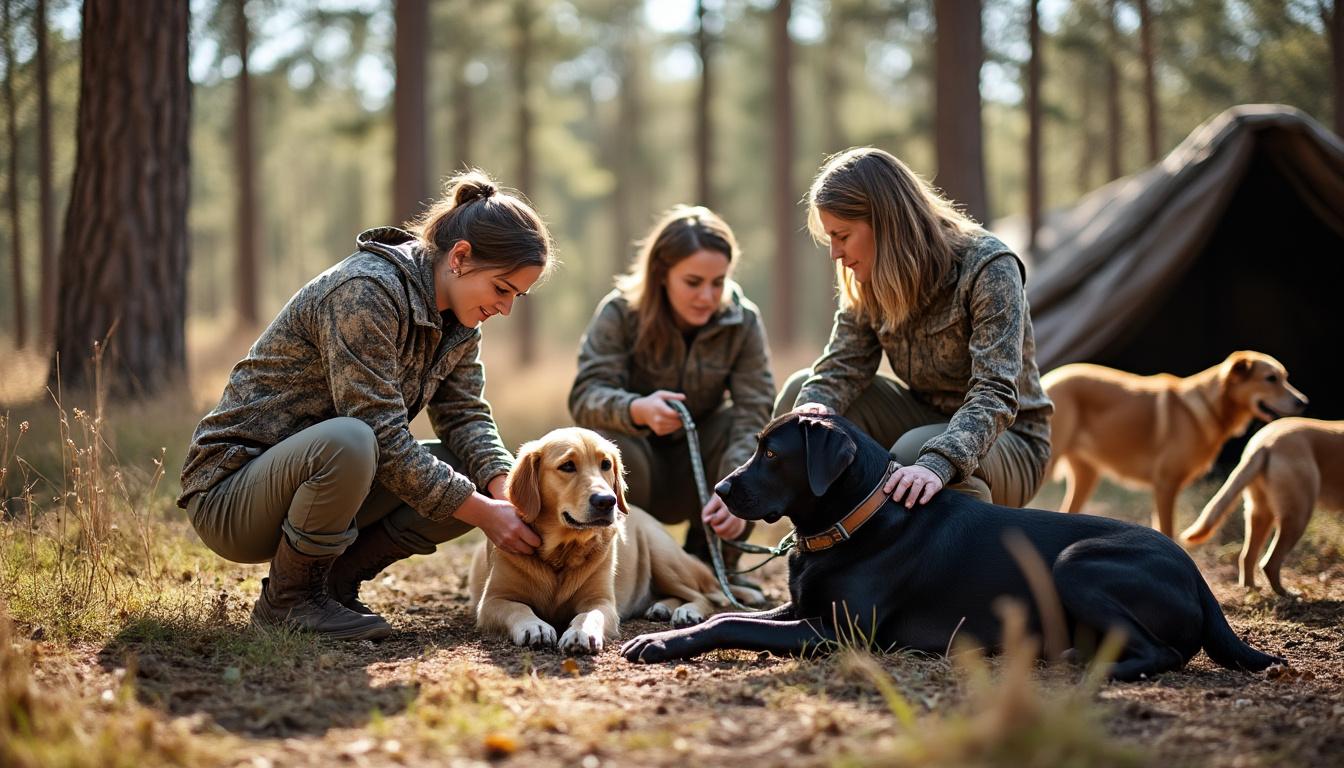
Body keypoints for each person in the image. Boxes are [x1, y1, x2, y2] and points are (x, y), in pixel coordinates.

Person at [179, 170, 554, 640]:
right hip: (232, 496)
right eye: (502, 289)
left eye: (517, 296)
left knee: (471, 467)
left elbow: (465, 416)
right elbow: (377, 434)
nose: (506, 309)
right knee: (353, 439)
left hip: (316, 486)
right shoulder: (365, 291)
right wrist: (481, 513)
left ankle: (332, 585)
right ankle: (289, 601)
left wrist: (505, 492)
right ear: (460, 257)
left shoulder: (461, 322)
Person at [775, 147, 1052, 509]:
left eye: (842, 236)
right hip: (923, 420)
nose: (836, 254)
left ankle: (972, 548)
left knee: (912, 453)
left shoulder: (988, 266)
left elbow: (995, 393)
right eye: (831, 240)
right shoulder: (868, 276)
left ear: (885, 222)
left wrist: (937, 464)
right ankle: (829, 546)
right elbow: (842, 369)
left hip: (1009, 440)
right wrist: (808, 421)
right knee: (806, 404)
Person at [568, 205, 775, 576]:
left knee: (752, 436)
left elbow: (754, 410)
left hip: (703, 474)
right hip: (635, 471)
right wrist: (636, 411)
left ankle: (713, 566)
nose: (707, 296)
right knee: (610, 441)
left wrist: (737, 493)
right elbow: (585, 396)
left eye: (719, 282)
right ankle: (621, 569)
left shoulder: (743, 320)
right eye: (693, 282)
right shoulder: (619, 312)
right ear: (662, 273)